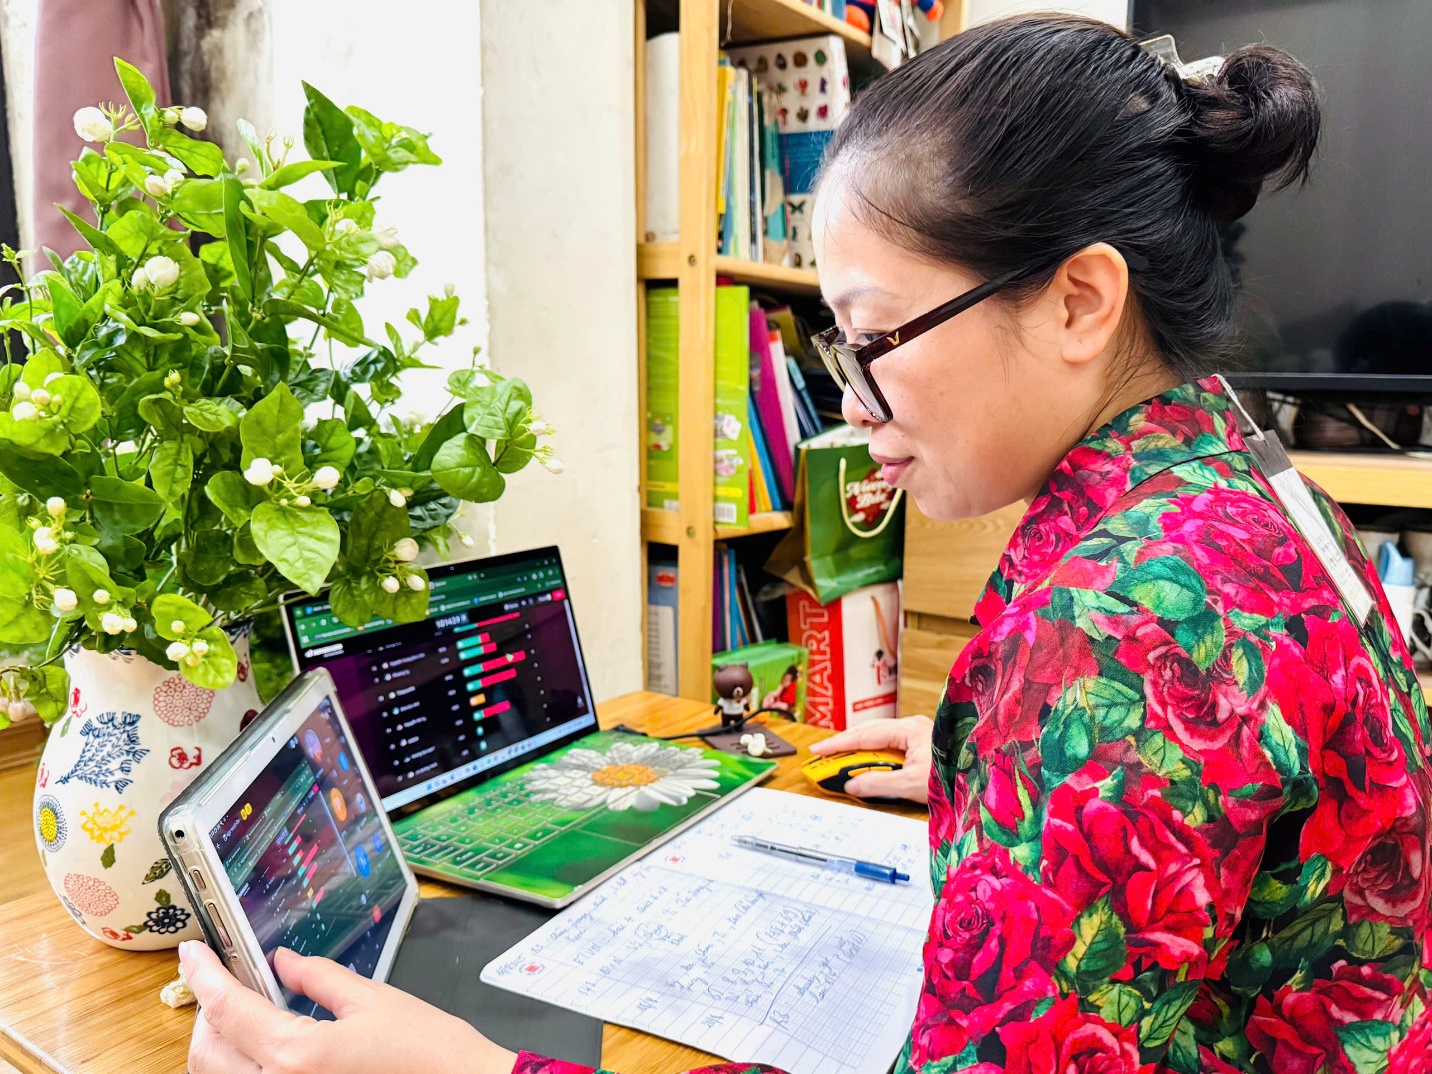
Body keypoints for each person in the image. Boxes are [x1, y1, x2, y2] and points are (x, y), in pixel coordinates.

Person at [181, 15, 1432, 1074]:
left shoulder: (1115, 628)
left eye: (872, 336)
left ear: (1077, 300)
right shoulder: (1231, 460)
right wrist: (1004, 773)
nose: (850, 404)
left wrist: (465, 1065)